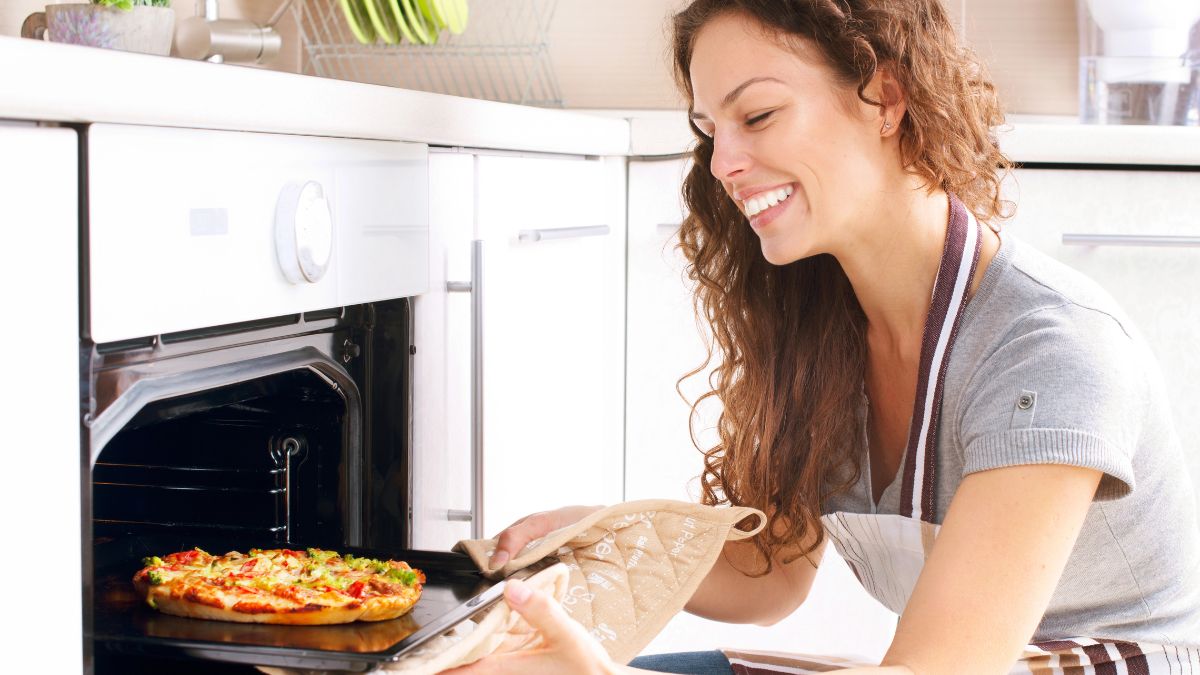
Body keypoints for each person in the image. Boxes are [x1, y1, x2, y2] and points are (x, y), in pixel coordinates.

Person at [444, 1, 1200, 673]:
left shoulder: (1048, 348)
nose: (724, 164)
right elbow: (770, 576)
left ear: (886, 96)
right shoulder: (830, 330)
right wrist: (598, 535)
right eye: (711, 131)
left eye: (759, 116)